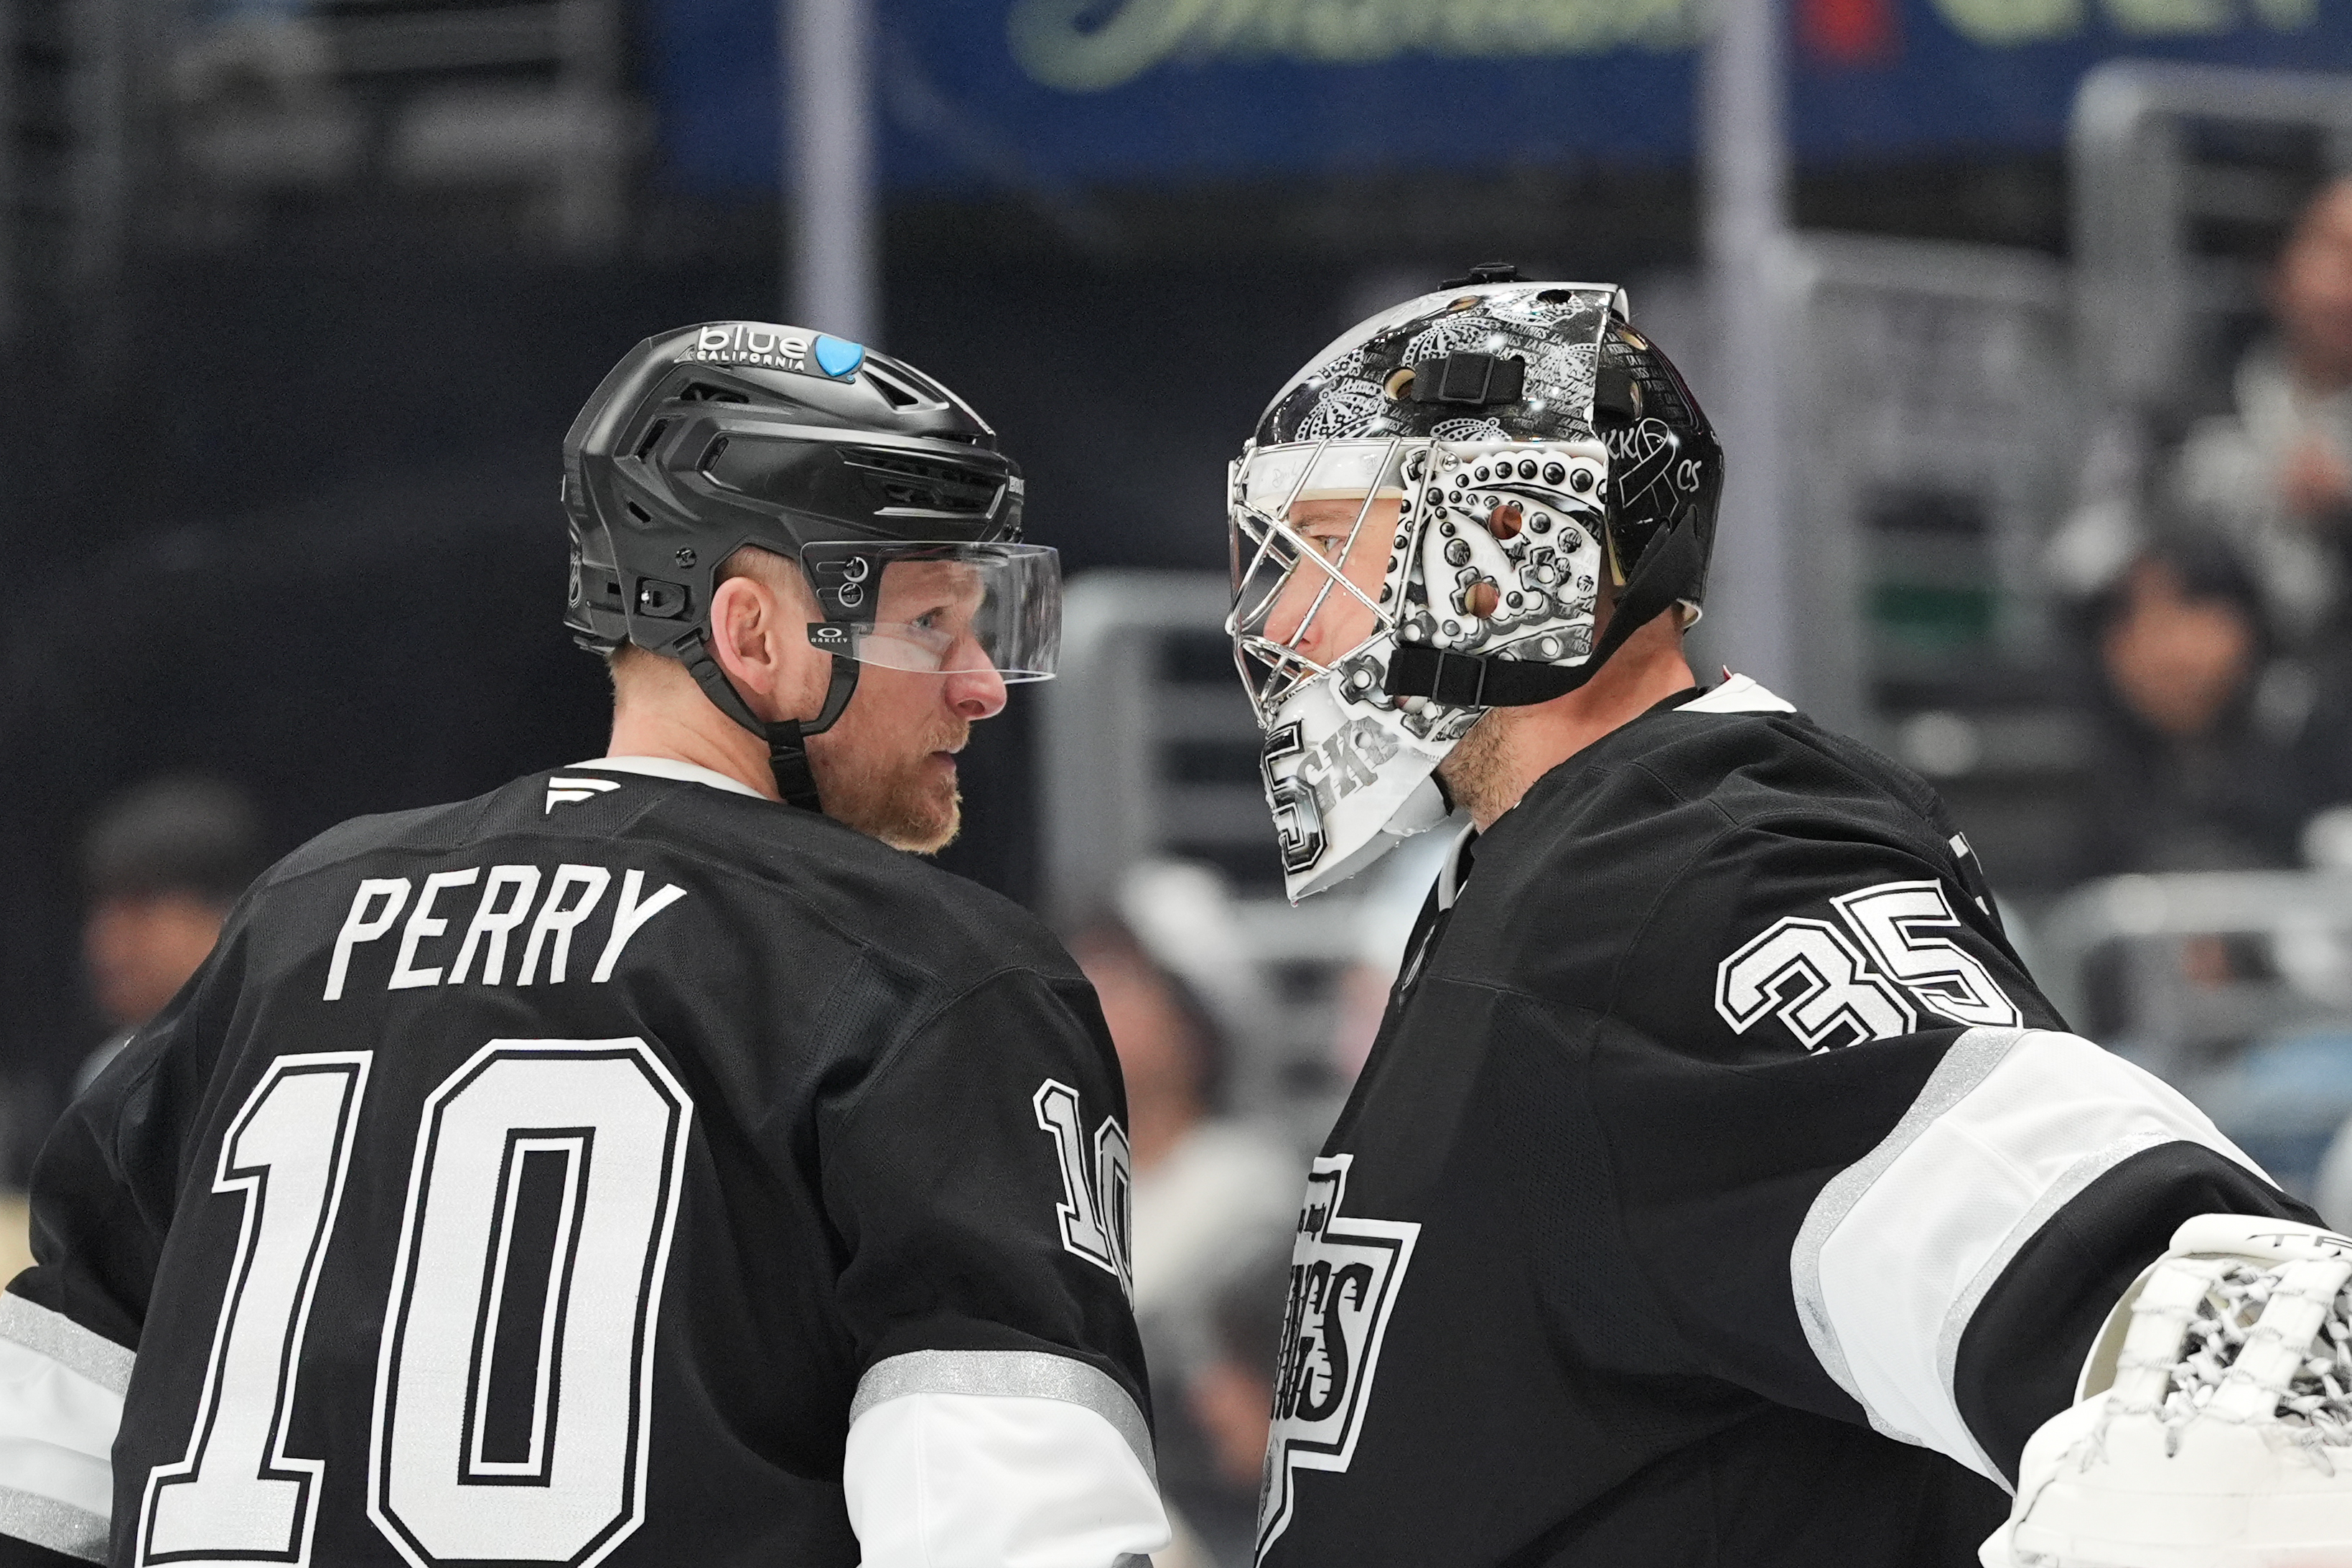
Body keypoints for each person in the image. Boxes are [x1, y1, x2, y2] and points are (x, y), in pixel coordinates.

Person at [1222, 269, 2343, 1567]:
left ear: (1502, 548)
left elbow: (2251, 1366)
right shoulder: (1570, 869)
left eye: (1328, 545)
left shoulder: (1690, 872)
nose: (1283, 621)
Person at [0, 324, 1167, 1568]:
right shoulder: (933, 975)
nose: (982, 683)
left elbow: (39, 1462)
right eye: (933, 622)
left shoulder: (296, 921)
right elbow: (1013, 1541)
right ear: (756, 633)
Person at [2073, 531, 2309, 879]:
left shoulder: (2309, 736)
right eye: (2131, 617)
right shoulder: (2086, 765)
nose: (2163, 649)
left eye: (2189, 608)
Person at [73, 775, 268, 1093]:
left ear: (225, 914)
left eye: (139, 911)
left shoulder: (287, 1040)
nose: (107, 946)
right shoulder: (106, 1076)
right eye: (101, 916)